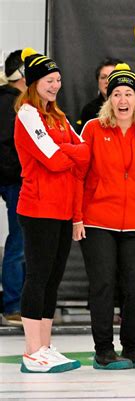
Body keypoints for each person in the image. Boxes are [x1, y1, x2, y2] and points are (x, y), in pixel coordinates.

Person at [73, 63, 135, 370]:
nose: (122, 99)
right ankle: (103, 350)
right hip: (97, 220)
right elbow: (79, 175)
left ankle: (131, 347)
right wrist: (77, 217)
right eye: (116, 93)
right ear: (108, 98)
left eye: (128, 93)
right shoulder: (93, 130)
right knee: (103, 285)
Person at [14, 48, 89, 372]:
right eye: (49, 80)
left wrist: (66, 151)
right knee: (38, 277)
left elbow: (84, 153)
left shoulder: (58, 116)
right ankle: (32, 352)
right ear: (34, 82)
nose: (55, 85)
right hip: (38, 208)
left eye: (58, 79)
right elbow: (54, 159)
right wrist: (67, 152)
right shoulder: (28, 113)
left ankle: (44, 345)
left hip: (61, 209)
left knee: (52, 280)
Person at [0, 50, 27, 326]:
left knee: (24, 243)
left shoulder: (18, 102)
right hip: (18, 184)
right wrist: (21, 175)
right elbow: (8, 147)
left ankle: (21, 303)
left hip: (19, 182)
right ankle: (13, 304)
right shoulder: (9, 103)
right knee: (19, 244)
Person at [79, 57, 122, 127]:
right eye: (103, 77)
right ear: (98, 81)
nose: (107, 81)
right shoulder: (89, 110)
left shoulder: (132, 107)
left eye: (112, 76)